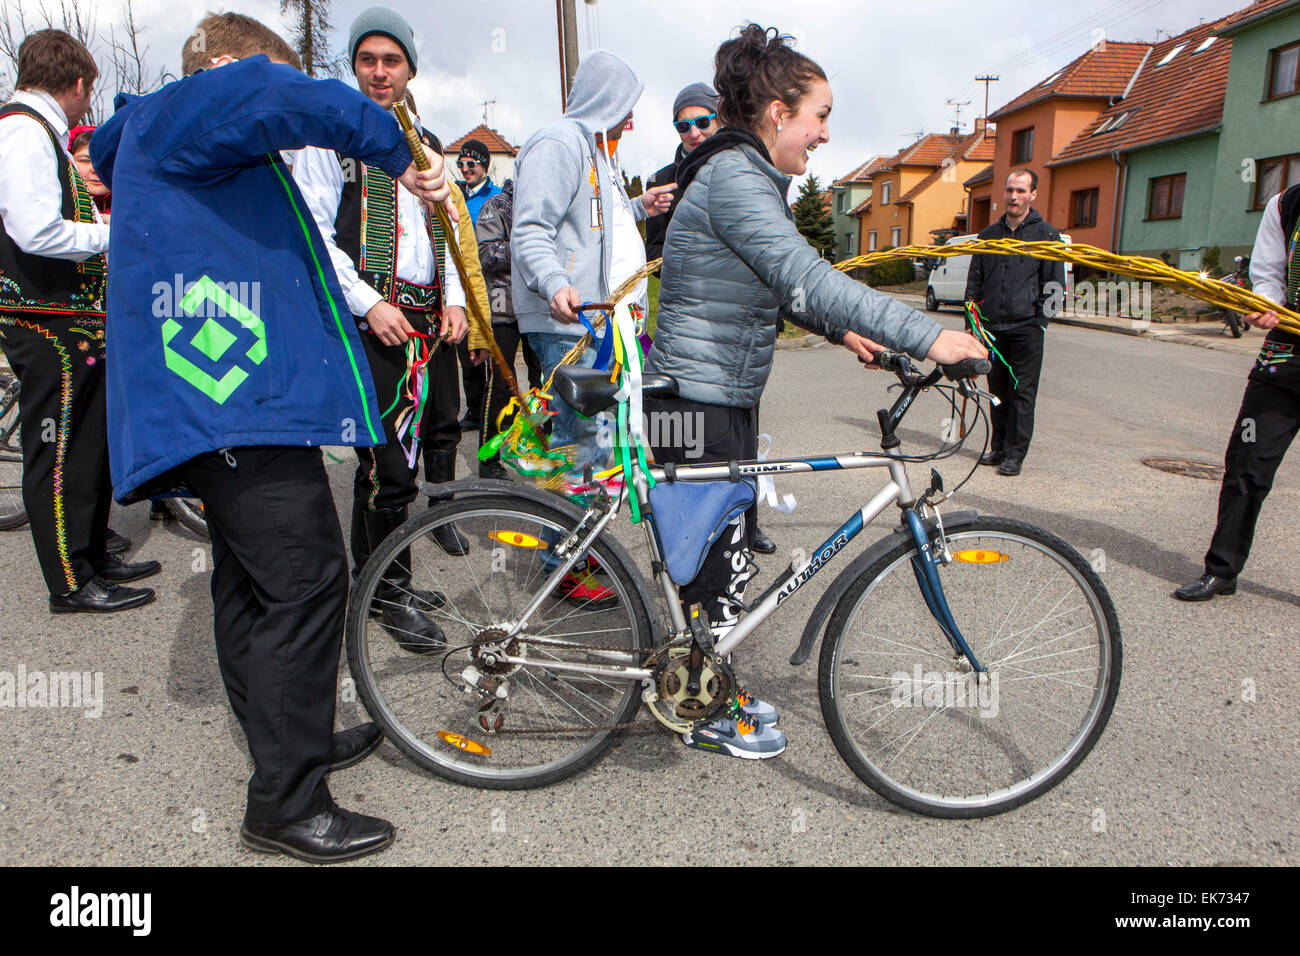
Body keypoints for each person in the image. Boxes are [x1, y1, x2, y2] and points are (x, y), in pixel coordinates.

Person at [90, 11, 455, 861]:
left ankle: (290, 744)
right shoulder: (187, 106)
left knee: (250, 586)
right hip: (228, 400)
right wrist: (400, 152)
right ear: (218, 66)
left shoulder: (171, 138)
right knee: (306, 581)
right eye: (261, 73)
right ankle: (286, 805)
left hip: (234, 397)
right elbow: (267, 92)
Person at [645, 23, 986, 759]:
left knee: (713, 551)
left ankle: (702, 683)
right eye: (820, 115)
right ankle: (701, 706)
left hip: (707, 391)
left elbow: (768, 282)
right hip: (693, 399)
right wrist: (927, 334)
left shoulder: (740, 172)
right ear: (777, 111)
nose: (825, 133)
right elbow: (805, 273)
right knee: (711, 555)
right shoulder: (736, 175)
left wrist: (842, 332)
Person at [294, 6, 471, 630]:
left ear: (410, 68)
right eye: (367, 59)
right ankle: (384, 596)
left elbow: (447, 226)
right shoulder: (329, 137)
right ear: (354, 66)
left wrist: (452, 297)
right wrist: (368, 302)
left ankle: (383, 578)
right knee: (385, 463)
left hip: (425, 321)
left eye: (390, 60)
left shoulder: (423, 139)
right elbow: (313, 234)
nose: (378, 71)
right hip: (373, 321)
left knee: (408, 455)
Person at [0, 29, 160, 613]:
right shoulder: (22, 130)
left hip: (71, 318)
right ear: (75, 84)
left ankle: (92, 550)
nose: (89, 105)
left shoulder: (38, 130)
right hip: (46, 320)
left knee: (87, 443)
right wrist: (114, 235)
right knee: (60, 447)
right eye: (89, 92)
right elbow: (36, 229)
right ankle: (70, 580)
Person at [511, 48, 675, 605]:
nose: (631, 119)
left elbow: (591, 223)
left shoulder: (596, 153)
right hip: (570, 321)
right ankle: (564, 563)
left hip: (598, 323)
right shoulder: (560, 143)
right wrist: (555, 283)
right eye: (626, 107)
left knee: (594, 446)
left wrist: (636, 205)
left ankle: (574, 553)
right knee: (581, 444)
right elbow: (531, 228)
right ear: (605, 100)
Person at [647, 81, 778, 556]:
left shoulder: (744, 172)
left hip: (740, 338)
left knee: (743, 446)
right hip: (694, 334)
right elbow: (655, 252)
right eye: (683, 125)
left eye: (702, 121)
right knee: (690, 451)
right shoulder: (664, 179)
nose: (693, 132)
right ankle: (690, 550)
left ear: (719, 121)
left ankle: (748, 525)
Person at [1175, 183, 1300, 601]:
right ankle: (1222, 570)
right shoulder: (1285, 203)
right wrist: (1266, 302)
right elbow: (1269, 274)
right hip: (1286, 354)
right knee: (1247, 461)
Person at [963, 169, 1065, 476]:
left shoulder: (1046, 235)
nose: (1013, 196)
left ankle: (1014, 455)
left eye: (1021, 191)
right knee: (997, 392)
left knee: (1022, 394)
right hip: (992, 330)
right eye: (1009, 190)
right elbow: (974, 284)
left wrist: (1041, 322)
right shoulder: (988, 236)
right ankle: (997, 448)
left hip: (1026, 329)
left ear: (1033, 195)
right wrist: (972, 322)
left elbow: (1055, 286)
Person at [472, 177, 545, 478]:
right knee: (501, 383)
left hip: (540, 305)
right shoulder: (498, 205)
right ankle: (488, 459)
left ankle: (542, 447)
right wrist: (530, 244)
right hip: (504, 307)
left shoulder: (545, 205)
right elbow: (486, 255)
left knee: (544, 381)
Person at [453, 138, 503, 436]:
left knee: (494, 349)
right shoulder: (454, 195)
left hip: (493, 284)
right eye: (461, 164)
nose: (465, 169)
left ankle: (495, 411)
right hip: (463, 283)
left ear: (484, 165)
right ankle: (474, 409)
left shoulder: (497, 197)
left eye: (471, 163)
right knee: (467, 349)